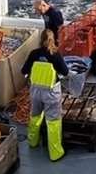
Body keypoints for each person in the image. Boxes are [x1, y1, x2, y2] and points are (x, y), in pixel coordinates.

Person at [21, 29, 69, 161]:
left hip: (35, 92)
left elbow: (24, 70)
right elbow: (65, 72)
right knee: (53, 122)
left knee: (35, 117)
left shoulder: (34, 54)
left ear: (40, 40)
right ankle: (55, 153)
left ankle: (32, 142)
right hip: (51, 94)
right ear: (53, 40)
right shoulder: (56, 55)